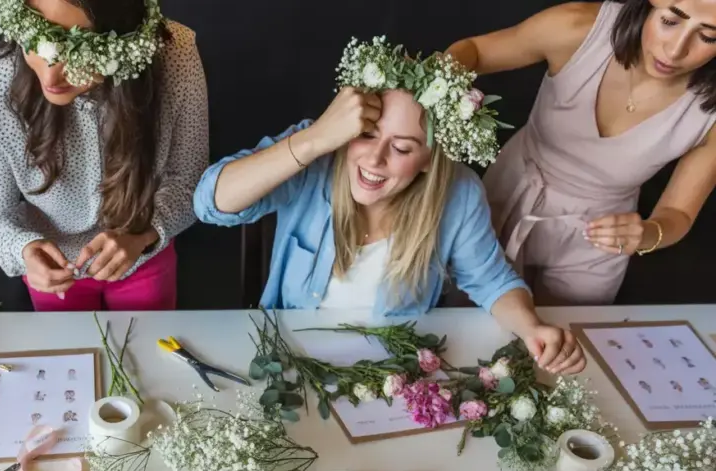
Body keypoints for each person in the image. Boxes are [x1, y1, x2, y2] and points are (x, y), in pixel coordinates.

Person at [194, 37, 586, 375]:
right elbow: (210, 204)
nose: (375, 159)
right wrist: (315, 139)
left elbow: (492, 282)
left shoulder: (458, 194)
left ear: (430, 158)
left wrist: (532, 327)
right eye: (366, 135)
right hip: (289, 363)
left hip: (392, 372)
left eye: (401, 148)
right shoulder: (317, 156)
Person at [447, 0, 716, 304]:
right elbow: (475, 50)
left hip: (596, 244)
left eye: (708, 37)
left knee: (567, 343)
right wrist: (433, 86)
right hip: (504, 198)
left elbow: (677, 213)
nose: (676, 50)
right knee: (466, 328)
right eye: (669, 21)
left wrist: (645, 234)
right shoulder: (579, 27)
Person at [0, 0, 208, 312]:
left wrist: (143, 234)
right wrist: (23, 249)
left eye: (79, 52)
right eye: (39, 39)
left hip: (144, 254)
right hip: (55, 270)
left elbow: (191, 181)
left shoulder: (174, 52)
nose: (51, 77)